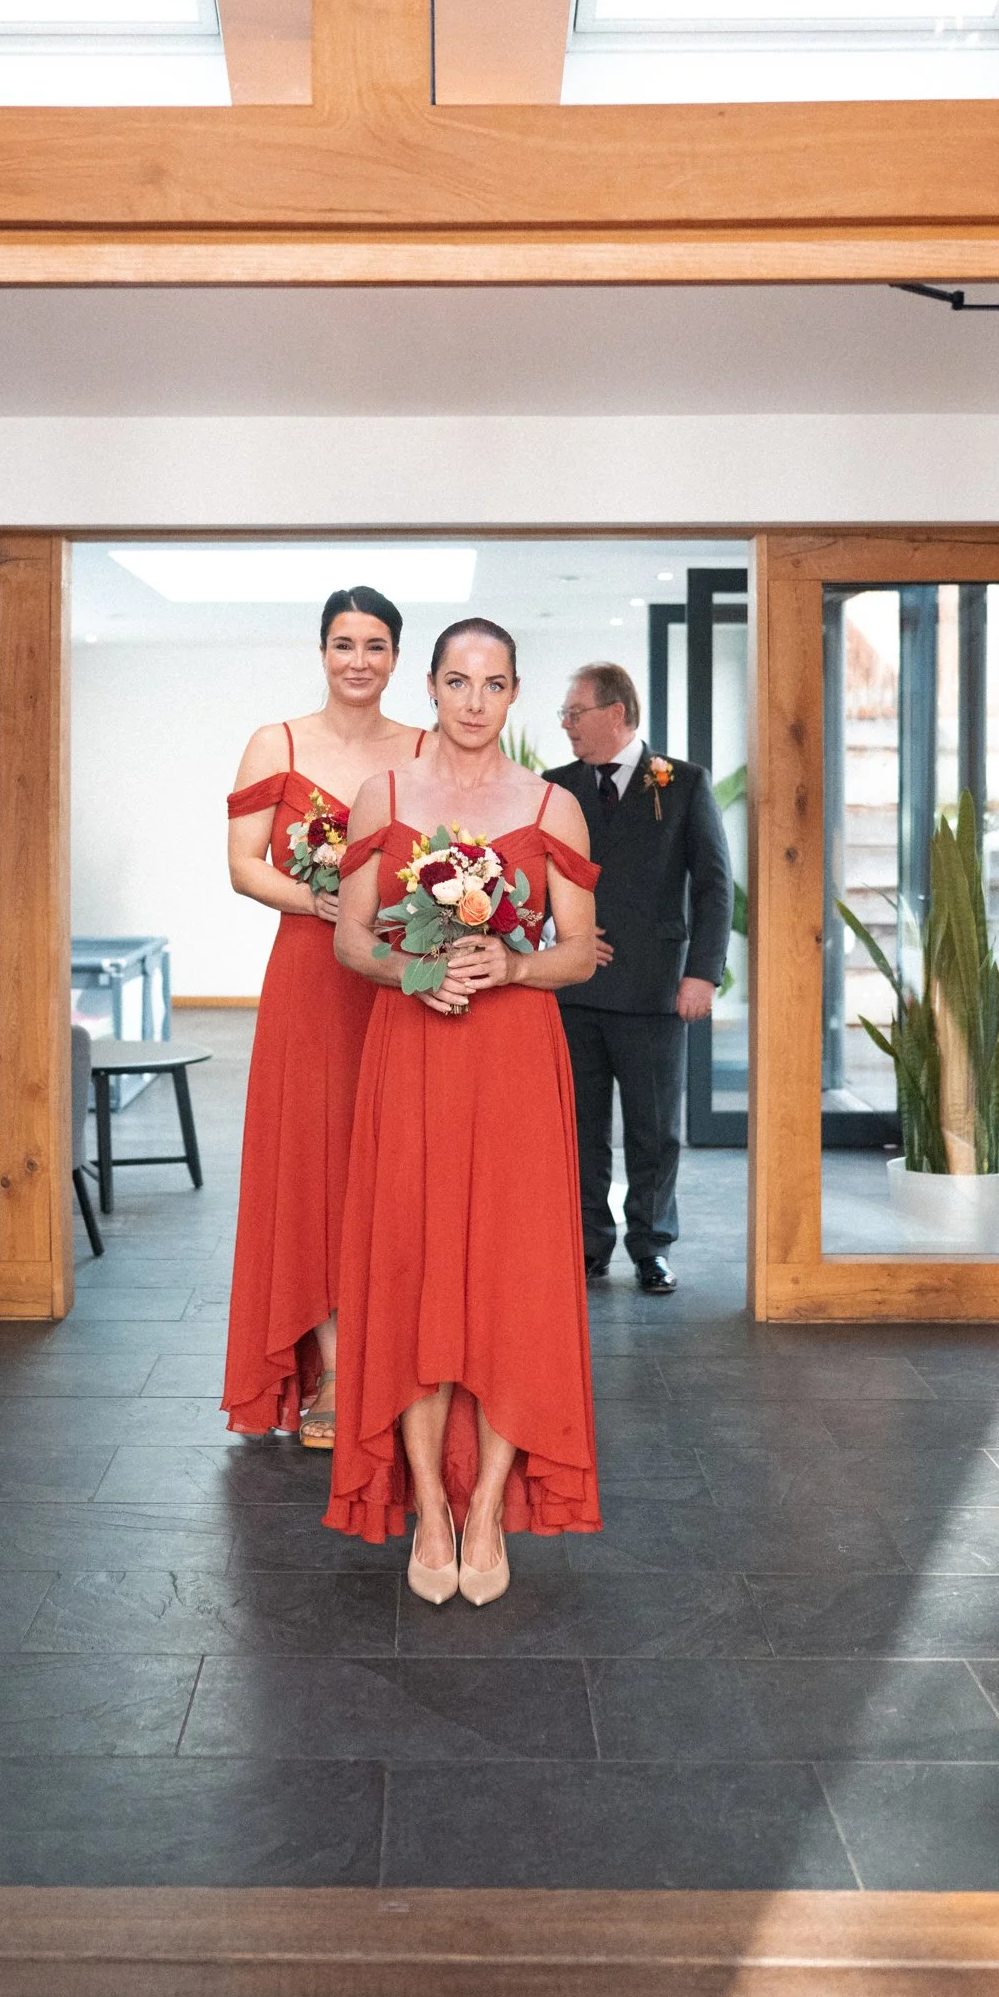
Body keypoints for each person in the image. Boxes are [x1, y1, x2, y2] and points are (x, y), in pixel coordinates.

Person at [327, 619, 602, 1605]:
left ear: (515, 692)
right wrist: (411, 967)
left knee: (508, 1283)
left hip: (516, 1064)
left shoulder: (551, 806)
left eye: (492, 683)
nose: (473, 700)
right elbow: (349, 940)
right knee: (412, 1272)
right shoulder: (384, 795)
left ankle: (484, 1504)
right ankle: (427, 1509)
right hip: (412, 1057)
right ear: (432, 688)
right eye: (456, 680)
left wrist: (513, 964)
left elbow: (577, 951)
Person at [221, 589, 427, 1447]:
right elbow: (241, 867)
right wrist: (321, 897)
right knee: (313, 1163)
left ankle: (402, 1356)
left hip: (392, 978)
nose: (358, 660)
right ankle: (335, 1370)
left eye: (374, 645)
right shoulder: (278, 742)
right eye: (343, 643)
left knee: (391, 1162)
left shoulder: (421, 747)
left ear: (394, 657)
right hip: (309, 981)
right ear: (320, 651)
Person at [545, 662, 733, 1296]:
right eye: (565, 715)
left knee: (654, 1131)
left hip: (656, 991)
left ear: (617, 714)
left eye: (576, 712)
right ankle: (586, 1245)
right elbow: (527, 881)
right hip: (573, 990)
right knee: (581, 1127)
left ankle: (651, 1245)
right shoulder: (555, 787)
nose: (566, 724)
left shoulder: (682, 783)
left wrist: (702, 975)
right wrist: (553, 937)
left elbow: (713, 887)